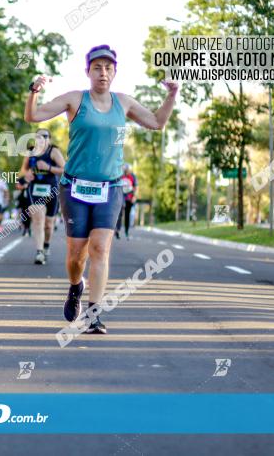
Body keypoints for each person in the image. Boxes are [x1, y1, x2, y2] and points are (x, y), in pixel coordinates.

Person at [25, 44, 177, 334]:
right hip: (75, 188)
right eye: (97, 67)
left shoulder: (124, 102)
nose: (103, 72)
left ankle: (94, 314)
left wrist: (172, 95)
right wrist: (34, 90)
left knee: (100, 249)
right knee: (75, 256)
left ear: (115, 72)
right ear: (88, 71)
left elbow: (157, 122)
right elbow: (33, 117)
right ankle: (75, 286)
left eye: (108, 68)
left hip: (110, 188)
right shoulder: (75, 99)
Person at [17, 129, 65, 264]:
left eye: (45, 136)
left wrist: (48, 168)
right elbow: (23, 170)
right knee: (38, 220)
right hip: (35, 190)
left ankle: (46, 245)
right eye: (38, 136)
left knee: (49, 225)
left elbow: (65, 169)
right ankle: (39, 252)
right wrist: (26, 175)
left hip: (52, 191)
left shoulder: (53, 151)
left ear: (49, 139)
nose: (41, 138)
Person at [115, 163, 137, 239]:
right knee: (119, 214)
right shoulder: (120, 176)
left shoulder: (133, 176)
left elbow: (135, 187)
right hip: (121, 197)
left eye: (127, 170)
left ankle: (126, 231)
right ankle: (117, 230)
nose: (126, 171)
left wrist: (134, 196)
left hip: (129, 198)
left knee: (127, 215)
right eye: (125, 170)